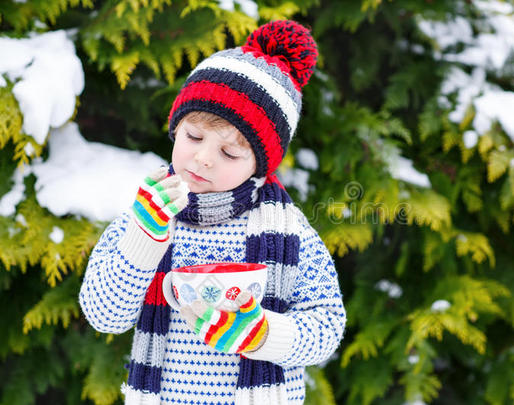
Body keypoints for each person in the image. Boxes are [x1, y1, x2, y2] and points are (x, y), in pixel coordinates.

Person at [78, 20, 346, 405]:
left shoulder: (290, 231)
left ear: (260, 164)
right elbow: (104, 316)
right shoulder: (150, 213)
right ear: (176, 128)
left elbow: (326, 327)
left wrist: (265, 333)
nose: (203, 159)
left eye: (229, 153)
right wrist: (144, 239)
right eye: (194, 137)